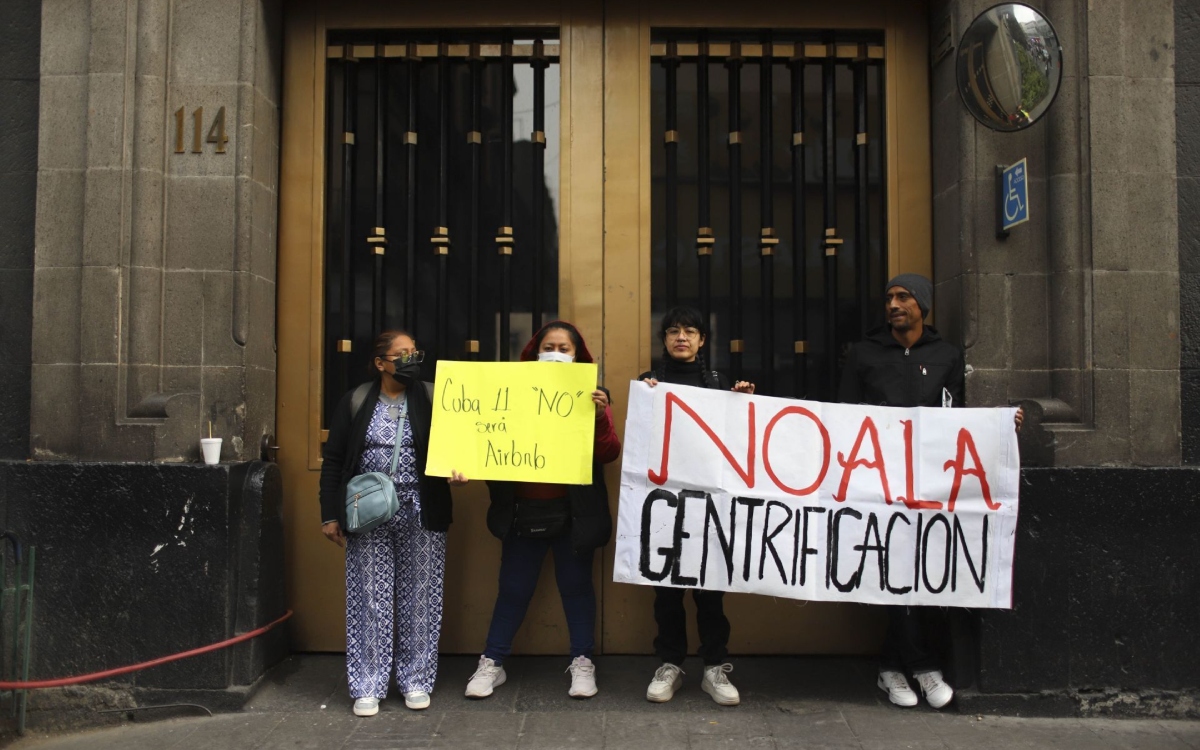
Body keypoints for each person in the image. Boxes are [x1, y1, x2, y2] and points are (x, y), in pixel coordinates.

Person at [838, 274, 1022, 710]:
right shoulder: (863, 353)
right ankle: (919, 665)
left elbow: (954, 414)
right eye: (888, 298)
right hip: (878, 481)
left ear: (923, 304)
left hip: (930, 483)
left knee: (920, 567)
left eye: (903, 297)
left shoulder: (946, 355)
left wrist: (996, 427)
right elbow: (842, 415)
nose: (893, 304)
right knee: (890, 568)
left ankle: (891, 667)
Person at [465, 321, 622, 700]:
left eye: (564, 348)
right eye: (548, 346)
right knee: (513, 589)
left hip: (573, 514)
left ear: (578, 356)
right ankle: (492, 662)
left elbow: (608, 453)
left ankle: (583, 662)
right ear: (535, 353)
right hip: (523, 512)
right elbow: (486, 443)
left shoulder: (594, 397)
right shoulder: (509, 394)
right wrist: (463, 465)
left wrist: (599, 415)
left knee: (576, 587)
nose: (555, 353)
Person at [319, 330, 468, 717]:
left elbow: (461, 442)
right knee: (369, 597)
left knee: (421, 598)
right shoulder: (355, 401)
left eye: (414, 351)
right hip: (368, 513)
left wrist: (461, 468)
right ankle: (367, 684)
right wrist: (330, 514)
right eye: (400, 354)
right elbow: (334, 460)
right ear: (380, 363)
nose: (411, 358)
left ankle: (415, 680)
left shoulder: (436, 397)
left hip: (423, 508)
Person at [637, 306, 755, 706]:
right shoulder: (650, 383)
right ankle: (670, 664)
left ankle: (713, 667)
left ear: (703, 340)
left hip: (710, 505)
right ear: (665, 340)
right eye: (673, 331)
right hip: (666, 504)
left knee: (710, 593)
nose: (681, 337)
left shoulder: (722, 383)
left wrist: (744, 406)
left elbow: (740, 443)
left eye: (690, 331)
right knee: (667, 592)